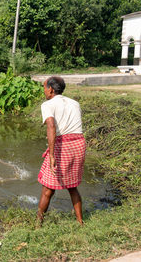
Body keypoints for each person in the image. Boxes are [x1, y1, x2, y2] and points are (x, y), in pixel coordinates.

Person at [37, 76, 86, 225]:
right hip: (79, 144)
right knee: (72, 187)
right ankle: (80, 221)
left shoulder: (48, 104)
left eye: (45, 88)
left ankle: (38, 224)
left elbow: (51, 126)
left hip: (62, 146)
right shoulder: (75, 103)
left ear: (51, 89)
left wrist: (52, 155)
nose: (44, 91)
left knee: (48, 189)